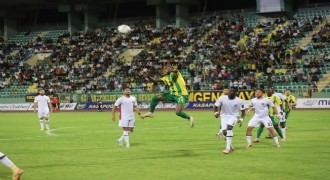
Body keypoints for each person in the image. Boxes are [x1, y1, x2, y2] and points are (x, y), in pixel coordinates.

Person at [214, 87, 246, 154]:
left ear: (236, 92)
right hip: (224, 117)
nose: (231, 91)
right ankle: (230, 146)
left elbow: (243, 112)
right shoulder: (222, 98)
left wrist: (241, 119)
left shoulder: (239, 101)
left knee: (229, 128)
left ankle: (227, 148)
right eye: (230, 90)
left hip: (234, 116)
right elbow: (215, 107)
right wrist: (216, 113)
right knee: (224, 132)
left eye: (233, 91)